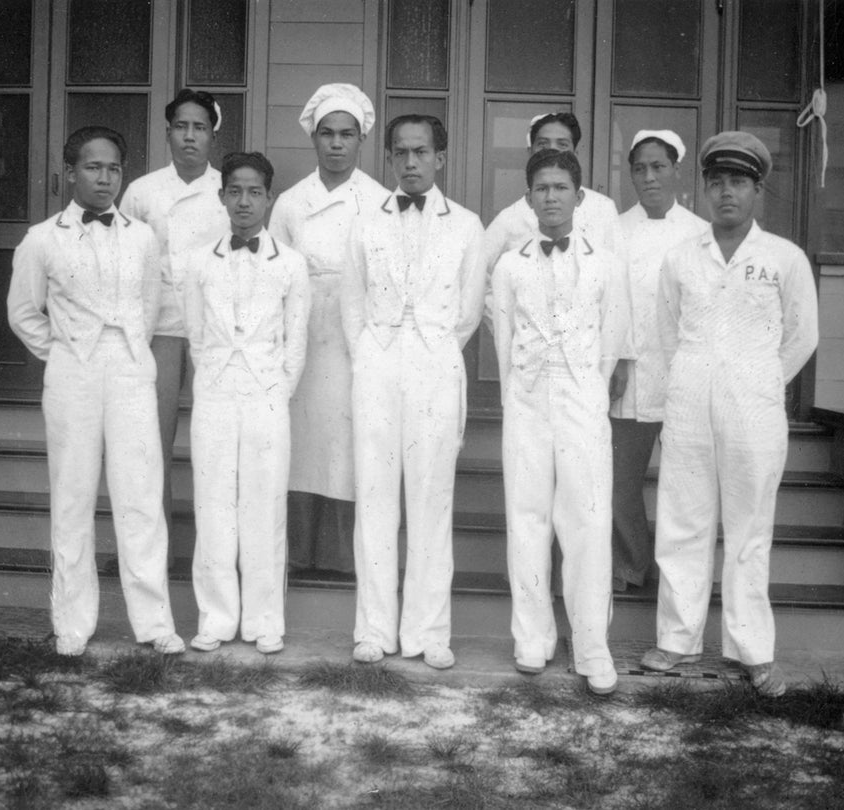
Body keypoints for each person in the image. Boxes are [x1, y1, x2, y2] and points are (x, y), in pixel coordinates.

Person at [641, 131, 819, 697]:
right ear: (704, 188)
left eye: (738, 182)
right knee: (683, 521)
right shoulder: (681, 257)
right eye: (716, 182)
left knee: (749, 529)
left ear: (757, 190)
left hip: (754, 406)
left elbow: (802, 337)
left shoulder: (784, 258)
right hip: (690, 400)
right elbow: (668, 333)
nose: (726, 193)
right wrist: (696, 379)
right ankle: (677, 639)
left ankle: (752, 650)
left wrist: (758, 381)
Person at [7, 126, 184, 657]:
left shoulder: (142, 237)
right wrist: (65, 351)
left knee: (141, 497)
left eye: (113, 169)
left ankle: (153, 622)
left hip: (130, 371)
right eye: (92, 167)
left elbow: (149, 306)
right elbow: (23, 313)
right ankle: (73, 622)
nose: (104, 178)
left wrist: (124, 351)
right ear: (70, 173)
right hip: (72, 375)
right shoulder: (43, 238)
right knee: (73, 497)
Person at [341, 114, 485, 669]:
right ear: (389, 159)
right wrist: (372, 353)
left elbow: (467, 311)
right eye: (400, 152)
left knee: (431, 499)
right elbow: (351, 302)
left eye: (421, 152)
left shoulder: (466, 225)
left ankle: (428, 632)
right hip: (377, 363)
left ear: (439, 158)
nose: (410, 162)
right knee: (375, 497)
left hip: (435, 365)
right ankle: (374, 629)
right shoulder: (365, 223)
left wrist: (430, 348)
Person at [491, 149, 632, 696]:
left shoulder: (606, 264)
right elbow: (505, 343)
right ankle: (533, 636)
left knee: (587, 521)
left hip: (581, 400)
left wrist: (584, 389)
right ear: (528, 198)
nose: (551, 197)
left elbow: (611, 343)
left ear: (579, 195)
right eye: (541, 188)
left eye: (561, 187)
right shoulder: (510, 266)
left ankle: (592, 645)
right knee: (527, 517)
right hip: (527, 399)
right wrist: (522, 394)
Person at [183, 152, 311, 655]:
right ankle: (216, 617)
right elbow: (197, 336)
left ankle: (264, 618)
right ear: (221, 196)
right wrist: (216, 377)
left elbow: (295, 343)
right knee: (214, 503)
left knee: (264, 505)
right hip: (215, 393)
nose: (244, 201)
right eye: (234, 191)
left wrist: (275, 389)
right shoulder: (200, 262)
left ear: (269, 198)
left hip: (266, 396)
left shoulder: (291, 264)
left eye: (254, 192)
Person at [270, 83, 387, 575]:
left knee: (346, 442)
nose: (336, 143)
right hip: (303, 329)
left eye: (346, 134)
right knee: (302, 442)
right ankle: (298, 552)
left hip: (355, 333)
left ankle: (341, 557)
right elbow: (273, 274)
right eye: (327, 134)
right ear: (313, 138)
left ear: (361, 140)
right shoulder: (291, 203)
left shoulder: (380, 201)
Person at [119, 89, 230, 541]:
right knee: (150, 442)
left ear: (212, 136)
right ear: (167, 133)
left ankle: (218, 549)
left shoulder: (229, 191)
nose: (189, 136)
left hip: (214, 334)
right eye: (181, 127)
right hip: (158, 330)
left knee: (217, 444)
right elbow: (124, 263)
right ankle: (151, 550)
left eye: (199, 127)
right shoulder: (142, 192)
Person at [610, 130, 708, 592]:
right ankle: (631, 565)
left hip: (684, 378)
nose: (649, 177)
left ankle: (680, 578)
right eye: (640, 169)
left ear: (676, 171)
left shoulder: (699, 234)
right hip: (628, 377)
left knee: (685, 486)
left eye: (658, 167)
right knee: (620, 482)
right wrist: (617, 359)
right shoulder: (615, 229)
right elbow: (611, 302)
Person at [483, 112, 625, 278]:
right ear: (530, 151)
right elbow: (479, 271)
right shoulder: (509, 218)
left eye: (562, 144)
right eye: (543, 144)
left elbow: (619, 272)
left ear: (575, 153)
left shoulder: (602, 208)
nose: (552, 151)